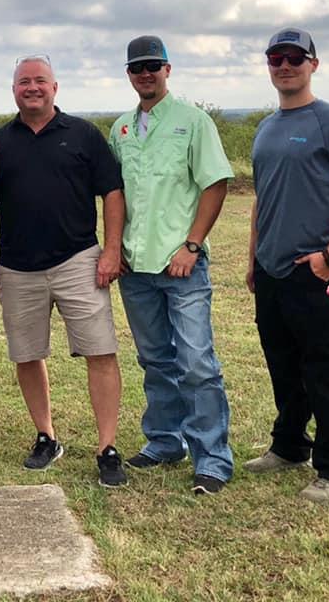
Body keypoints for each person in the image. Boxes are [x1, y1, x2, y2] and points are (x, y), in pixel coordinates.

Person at [0, 55, 128, 487]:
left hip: (79, 259)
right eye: (24, 82)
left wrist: (111, 250)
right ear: (14, 90)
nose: (32, 87)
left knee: (100, 351)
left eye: (40, 80)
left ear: (55, 87)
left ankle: (107, 447)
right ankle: (46, 436)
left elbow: (112, 193)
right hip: (17, 267)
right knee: (27, 355)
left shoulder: (82, 134)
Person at [245, 27, 329, 502]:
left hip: (316, 268)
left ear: (313, 65)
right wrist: (253, 257)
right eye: (276, 58)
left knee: (327, 368)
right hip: (272, 270)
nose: (285, 66)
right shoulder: (266, 127)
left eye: (295, 58)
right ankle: (289, 447)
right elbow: (264, 198)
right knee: (283, 363)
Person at [108, 35, 234, 495]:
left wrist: (193, 245)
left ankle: (213, 458)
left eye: (153, 65)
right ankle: (165, 441)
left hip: (180, 264)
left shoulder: (193, 122)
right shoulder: (121, 128)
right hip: (135, 267)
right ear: (129, 74)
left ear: (167, 69)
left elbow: (214, 185)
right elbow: (115, 195)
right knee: (156, 359)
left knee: (197, 362)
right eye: (137, 67)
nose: (146, 73)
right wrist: (114, 247)